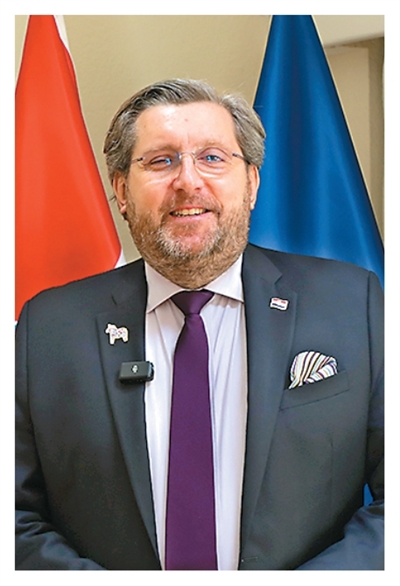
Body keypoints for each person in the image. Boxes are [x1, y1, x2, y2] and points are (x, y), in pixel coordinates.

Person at [15, 78, 383, 570]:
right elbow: (14, 515)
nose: (188, 181)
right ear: (122, 191)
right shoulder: (48, 328)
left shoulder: (351, 303)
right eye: (161, 160)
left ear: (251, 184)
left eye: (212, 157)